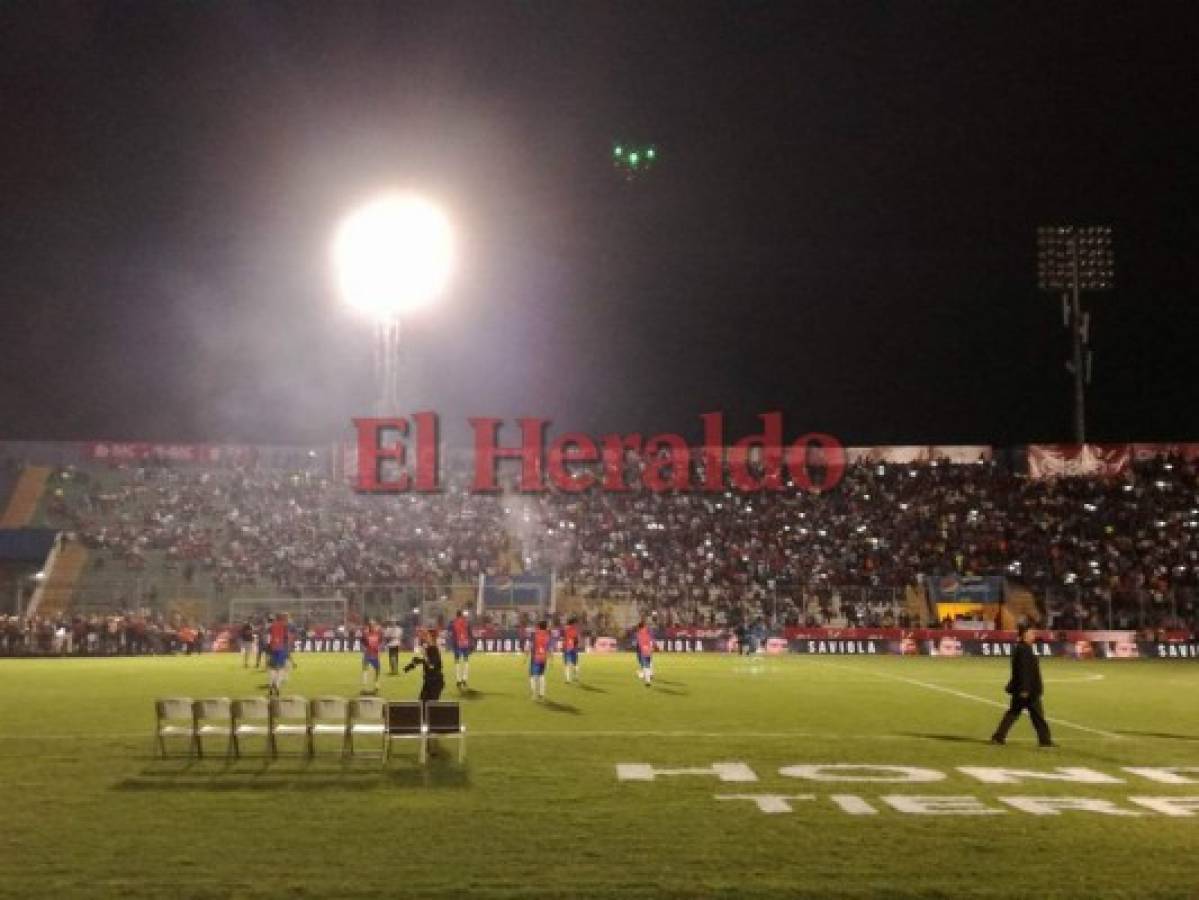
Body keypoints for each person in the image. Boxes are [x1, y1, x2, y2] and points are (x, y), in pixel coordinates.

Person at [990, 623, 1055, 747]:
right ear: (1025, 635)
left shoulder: (1023, 648)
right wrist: (1025, 689)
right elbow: (1024, 670)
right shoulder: (1024, 650)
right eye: (1031, 633)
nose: (1034, 636)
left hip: (1024, 689)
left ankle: (998, 736)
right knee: (1036, 716)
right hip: (1028, 690)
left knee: (1014, 713)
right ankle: (1045, 740)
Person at [404, 629, 445, 704]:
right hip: (429, 681)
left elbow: (431, 665)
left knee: (430, 706)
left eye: (427, 636)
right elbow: (424, 661)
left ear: (432, 638)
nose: (425, 638)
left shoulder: (433, 649)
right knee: (422, 704)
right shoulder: (429, 648)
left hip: (435, 682)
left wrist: (424, 656)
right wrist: (411, 665)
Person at [266, 612, 291, 696]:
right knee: (281, 669)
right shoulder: (285, 626)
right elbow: (286, 638)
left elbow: (268, 638)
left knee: (272, 668)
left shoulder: (271, 626)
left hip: (272, 648)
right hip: (281, 649)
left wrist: (269, 648)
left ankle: (270, 685)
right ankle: (277, 685)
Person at [450, 610, 472, 689]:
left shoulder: (453, 623)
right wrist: (471, 644)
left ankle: (458, 680)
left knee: (457, 661)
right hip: (465, 643)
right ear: (461, 615)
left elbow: (452, 634)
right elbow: (470, 633)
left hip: (457, 643)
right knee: (466, 661)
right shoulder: (466, 622)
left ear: (456, 615)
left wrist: (453, 644)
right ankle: (464, 679)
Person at [529, 620, 550, 700]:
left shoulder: (535, 635)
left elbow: (531, 646)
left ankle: (534, 694)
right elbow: (548, 647)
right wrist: (551, 658)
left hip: (536, 657)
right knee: (542, 674)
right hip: (544, 658)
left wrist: (526, 654)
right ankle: (542, 693)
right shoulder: (547, 635)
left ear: (538, 626)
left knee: (534, 675)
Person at [361, 619, 383, 694]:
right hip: (368, 654)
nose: (372, 626)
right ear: (369, 626)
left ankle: (376, 685)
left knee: (377, 669)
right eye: (371, 625)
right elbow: (362, 642)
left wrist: (379, 650)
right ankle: (364, 686)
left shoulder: (378, 633)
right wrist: (364, 649)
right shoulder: (365, 634)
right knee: (365, 669)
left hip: (375, 654)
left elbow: (380, 642)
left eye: (373, 625)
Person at [635, 618, 654, 687]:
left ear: (640, 627)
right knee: (648, 664)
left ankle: (646, 678)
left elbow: (639, 643)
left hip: (642, 651)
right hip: (648, 650)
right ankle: (648, 676)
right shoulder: (648, 632)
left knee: (644, 665)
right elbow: (651, 640)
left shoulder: (639, 633)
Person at [562, 616, 581, 683]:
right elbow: (576, 639)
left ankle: (568, 679)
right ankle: (576, 677)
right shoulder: (575, 629)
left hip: (567, 647)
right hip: (573, 648)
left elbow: (564, 638)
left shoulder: (566, 629)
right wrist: (576, 646)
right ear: (573, 623)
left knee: (567, 663)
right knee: (575, 663)